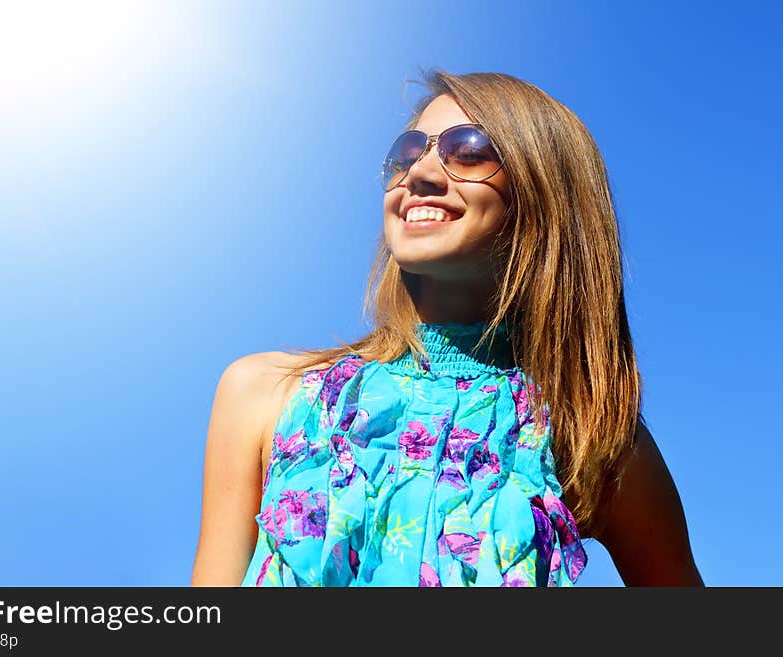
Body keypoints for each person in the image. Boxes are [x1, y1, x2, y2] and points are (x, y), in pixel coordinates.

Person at [190, 69, 704, 587]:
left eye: (470, 149)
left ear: (545, 193)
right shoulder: (263, 392)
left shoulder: (590, 431)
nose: (419, 173)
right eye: (408, 151)